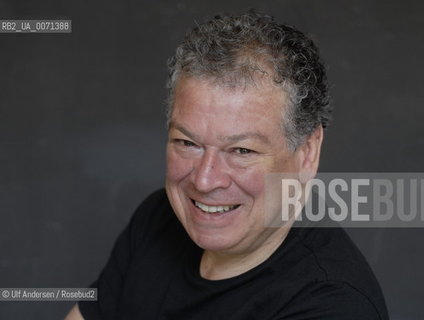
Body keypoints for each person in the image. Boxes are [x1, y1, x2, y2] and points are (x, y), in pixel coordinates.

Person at [66, 11, 389, 320]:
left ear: (307, 152)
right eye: (187, 143)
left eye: (241, 150)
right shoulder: (157, 220)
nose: (205, 181)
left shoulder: (333, 306)